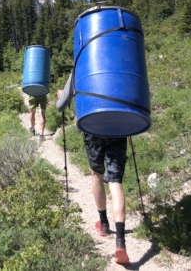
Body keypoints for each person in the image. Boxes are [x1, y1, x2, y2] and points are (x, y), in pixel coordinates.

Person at [56, 73, 130, 265]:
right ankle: (120, 241)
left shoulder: (82, 64)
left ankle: (104, 224)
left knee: (96, 174)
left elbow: (61, 105)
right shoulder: (117, 63)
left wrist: (61, 96)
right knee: (115, 180)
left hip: (93, 126)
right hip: (118, 126)